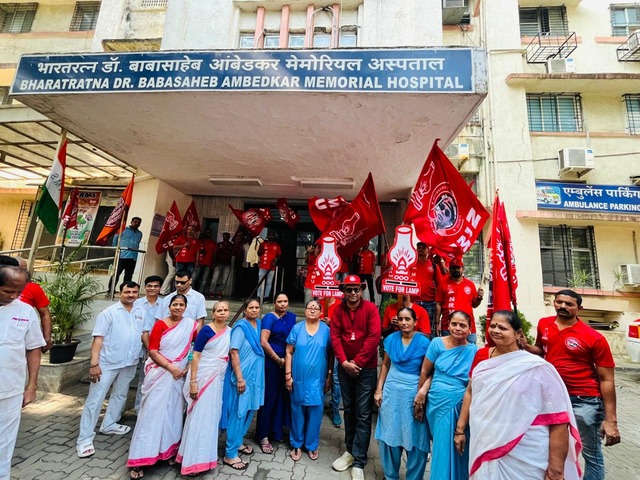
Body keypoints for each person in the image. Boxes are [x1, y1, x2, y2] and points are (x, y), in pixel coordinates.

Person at [454, 310, 582, 480]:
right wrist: (460, 430)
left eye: (502, 327)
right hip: (487, 443)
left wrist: (556, 470)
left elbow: (558, 419)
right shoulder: (483, 365)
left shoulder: (537, 368)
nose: (495, 330)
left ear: (518, 333)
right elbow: (471, 392)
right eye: (492, 326)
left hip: (527, 452)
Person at [523, 290, 620, 480]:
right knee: (547, 445)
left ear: (579, 309)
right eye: (559, 302)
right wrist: (526, 347)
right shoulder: (544, 324)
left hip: (584, 400)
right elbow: (542, 351)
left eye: (569, 304)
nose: (563, 307)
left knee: (591, 454)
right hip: (552, 397)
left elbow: (607, 380)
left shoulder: (594, 337)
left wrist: (611, 421)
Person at [127, 294, 198, 479]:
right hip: (160, 373)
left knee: (173, 415)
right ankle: (140, 459)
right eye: (175, 304)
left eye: (181, 305)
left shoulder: (190, 325)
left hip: (179, 375)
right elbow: (152, 350)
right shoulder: (160, 324)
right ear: (169, 306)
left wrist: (188, 365)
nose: (178, 308)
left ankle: (168, 451)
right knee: (151, 415)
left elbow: (196, 347)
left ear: (185, 307)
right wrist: (171, 367)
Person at [76, 282, 145, 458]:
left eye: (134, 292)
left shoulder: (140, 312)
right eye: (127, 291)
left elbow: (142, 335)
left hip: (129, 362)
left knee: (120, 394)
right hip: (107, 363)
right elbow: (98, 340)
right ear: (119, 292)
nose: (131, 295)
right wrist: (94, 364)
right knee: (95, 400)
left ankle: (109, 424)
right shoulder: (109, 313)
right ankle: (84, 439)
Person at [414, 310, 477, 480]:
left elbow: (474, 384)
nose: (457, 328)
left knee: (459, 449)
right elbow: (425, 371)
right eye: (454, 324)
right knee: (441, 448)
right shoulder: (436, 343)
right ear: (448, 325)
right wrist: (420, 397)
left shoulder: (474, 351)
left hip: (460, 406)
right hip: (436, 402)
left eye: (462, 325)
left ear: (469, 329)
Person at [330, 275, 381, 480]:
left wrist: (357, 363)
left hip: (365, 369)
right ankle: (350, 451)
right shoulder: (337, 310)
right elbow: (335, 336)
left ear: (362, 290)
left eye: (356, 289)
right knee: (349, 410)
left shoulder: (370, 309)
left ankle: (359, 460)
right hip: (344, 367)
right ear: (343, 291)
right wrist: (344, 362)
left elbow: (374, 337)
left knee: (363, 413)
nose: (352, 293)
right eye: (349, 289)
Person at [374, 307, 431, 480]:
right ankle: (390, 475)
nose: (404, 322)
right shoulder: (391, 339)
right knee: (389, 433)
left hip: (414, 393)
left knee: (415, 436)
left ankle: (414, 476)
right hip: (392, 392)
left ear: (415, 322)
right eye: (401, 319)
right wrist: (379, 389)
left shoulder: (425, 342)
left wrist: (422, 392)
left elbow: (429, 371)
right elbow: (385, 365)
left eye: (408, 319)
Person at [0, 266, 45, 479]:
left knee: (5, 443)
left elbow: (33, 349)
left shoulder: (25, 311)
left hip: (11, 390)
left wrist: (31, 386)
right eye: (8, 291)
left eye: (18, 292)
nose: (14, 296)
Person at [177, 301, 231, 476]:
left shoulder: (229, 332)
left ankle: (205, 458)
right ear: (213, 313)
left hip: (218, 378)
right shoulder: (207, 330)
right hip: (203, 377)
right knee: (199, 417)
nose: (223, 313)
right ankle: (191, 460)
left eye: (225, 310)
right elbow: (196, 355)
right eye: (219, 310)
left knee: (211, 418)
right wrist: (193, 381)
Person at [220, 298, 265, 471]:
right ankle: (230, 454)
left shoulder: (259, 325)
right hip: (242, 377)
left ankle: (238, 442)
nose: (254, 310)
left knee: (249, 410)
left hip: (256, 377)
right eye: (250, 307)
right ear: (245, 310)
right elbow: (234, 352)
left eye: (256, 307)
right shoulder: (241, 327)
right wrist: (239, 377)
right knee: (238, 413)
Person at [285, 300, 333, 461]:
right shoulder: (297, 328)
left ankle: (311, 445)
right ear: (305, 311)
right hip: (298, 378)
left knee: (315, 413)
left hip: (318, 379)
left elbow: (331, 355)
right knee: (297, 412)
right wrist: (288, 375)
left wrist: (329, 376)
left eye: (316, 308)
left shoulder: (326, 331)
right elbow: (289, 352)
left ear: (321, 312)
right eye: (309, 307)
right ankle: (297, 444)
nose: (312, 310)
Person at [256, 292, 296, 453]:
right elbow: (263, 341)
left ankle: (277, 431)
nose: (282, 304)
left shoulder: (292, 317)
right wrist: (276, 358)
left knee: (282, 397)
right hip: (271, 363)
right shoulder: (269, 318)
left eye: (285, 301)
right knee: (269, 398)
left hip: (287, 362)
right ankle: (263, 435)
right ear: (274, 303)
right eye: (279, 301)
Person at [434, 257, 483, 343]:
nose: (456, 270)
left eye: (458, 267)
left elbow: (474, 305)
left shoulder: (470, 284)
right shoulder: (443, 284)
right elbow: (438, 304)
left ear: (463, 269)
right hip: (448, 326)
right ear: (449, 269)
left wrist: (479, 298)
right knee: (449, 353)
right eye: (453, 268)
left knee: (470, 353)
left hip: (468, 326)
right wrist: (437, 323)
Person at [134, 275, 163, 414]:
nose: (152, 289)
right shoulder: (136, 303)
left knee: (145, 379)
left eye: (155, 286)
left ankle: (142, 409)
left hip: (154, 348)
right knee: (126, 379)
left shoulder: (164, 304)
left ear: (160, 288)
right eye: (149, 286)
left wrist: (152, 348)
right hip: (135, 346)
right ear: (145, 287)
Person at [13, 257, 53, 352]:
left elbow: (45, 313)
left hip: (24, 337)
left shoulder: (33, 288)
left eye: (25, 269)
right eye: (20, 269)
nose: (24, 272)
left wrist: (47, 337)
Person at [411, 243, 446, 335]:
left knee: (427, 329)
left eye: (423, 248)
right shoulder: (410, 264)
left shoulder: (434, 266)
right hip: (413, 302)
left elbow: (440, 284)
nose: (421, 250)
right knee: (412, 327)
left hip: (429, 303)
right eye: (419, 248)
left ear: (428, 250)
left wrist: (439, 302)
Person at [108, 217, 143, 293]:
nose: (137, 224)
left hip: (133, 256)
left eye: (138, 222)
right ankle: (110, 290)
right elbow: (115, 240)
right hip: (122, 255)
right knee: (116, 274)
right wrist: (116, 251)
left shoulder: (139, 233)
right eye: (135, 222)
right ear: (131, 221)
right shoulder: (123, 230)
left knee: (129, 275)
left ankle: (125, 290)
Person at [257, 231, 281, 303]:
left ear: (274, 237)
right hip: (263, 265)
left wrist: (276, 260)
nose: (271, 236)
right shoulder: (263, 244)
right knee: (260, 281)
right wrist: (261, 248)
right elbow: (259, 253)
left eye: (272, 235)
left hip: (271, 267)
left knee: (269, 282)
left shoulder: (276, 245)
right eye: (269, 235)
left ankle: (266, 297)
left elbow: (279, 254)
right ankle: (259, 296)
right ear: (267, 236)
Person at [209, 232, 234, 299]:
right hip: (218, 264)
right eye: (224, 236)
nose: (225, 238)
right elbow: (215, 253)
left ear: (229, 237)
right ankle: (212, 291)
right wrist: (214, 262)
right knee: (215, 279)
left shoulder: (231, 245)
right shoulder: (219, 244)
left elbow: (233, 254)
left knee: (224, 280)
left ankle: (219, 291)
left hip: (227, 264)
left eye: (226, 236)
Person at [191, 228, 216, 294]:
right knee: (194, 278)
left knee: (204, 279)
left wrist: (213, 263)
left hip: (208, 263)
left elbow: (214, 254)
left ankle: (200, 293)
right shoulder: (199, 241)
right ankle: (192, 291)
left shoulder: (213, 243)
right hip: (199, 262)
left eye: (209, 232)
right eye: (206, 232)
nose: (208, 233)